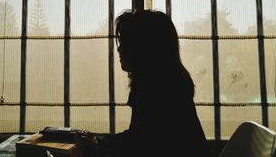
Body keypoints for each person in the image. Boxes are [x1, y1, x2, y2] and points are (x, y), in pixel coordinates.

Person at [75, 9, 211, 157]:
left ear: (143, 47)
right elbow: (138, 138)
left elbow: (141, 149)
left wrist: (94, 150)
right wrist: (99, 140)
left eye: (126, 42)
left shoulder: (153, 89)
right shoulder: (169, 81)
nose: (119, 49)